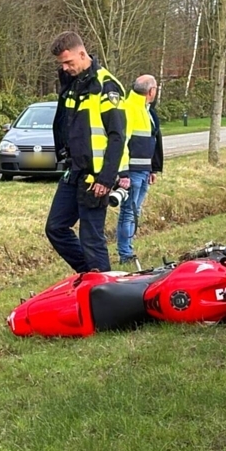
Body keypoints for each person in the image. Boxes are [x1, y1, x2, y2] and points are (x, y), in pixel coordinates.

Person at [45, 31, 129, 273]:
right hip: (74, 171)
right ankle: (90, 276)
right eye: (62, 64)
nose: (65, 68)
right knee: (55, 228)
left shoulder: (106, 85)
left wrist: (106, 178)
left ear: (82, 54)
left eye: (68, 62)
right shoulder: (73, 85)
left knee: (91, 238)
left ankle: (105, 288)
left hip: (96, 177)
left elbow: (117, 136)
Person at [116, 74, 164, 265]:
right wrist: (123, 173)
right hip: (132, 172)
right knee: (129, 212)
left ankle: (128, 249)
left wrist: (152, 169)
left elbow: (152, 142)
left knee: (135, 212)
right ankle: (125, 253)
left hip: (143, 171)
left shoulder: (147, 111)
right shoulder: (129, 109)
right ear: (151, 91)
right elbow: (121, 143)